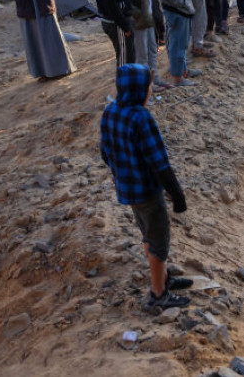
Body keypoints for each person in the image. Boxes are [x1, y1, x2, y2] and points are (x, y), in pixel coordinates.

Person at [100, 63, 192, 312]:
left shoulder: (111, 110)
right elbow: (159, 164)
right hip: (147, 192)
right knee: (158, 241)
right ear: (141, 89)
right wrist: (178, 197)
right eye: (149, 85)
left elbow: (105, 151)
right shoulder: (141, 118)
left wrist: (116, 173)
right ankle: (158, 293)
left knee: (147, 234)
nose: (151, 89)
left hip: (128, 189)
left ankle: (162, 278)